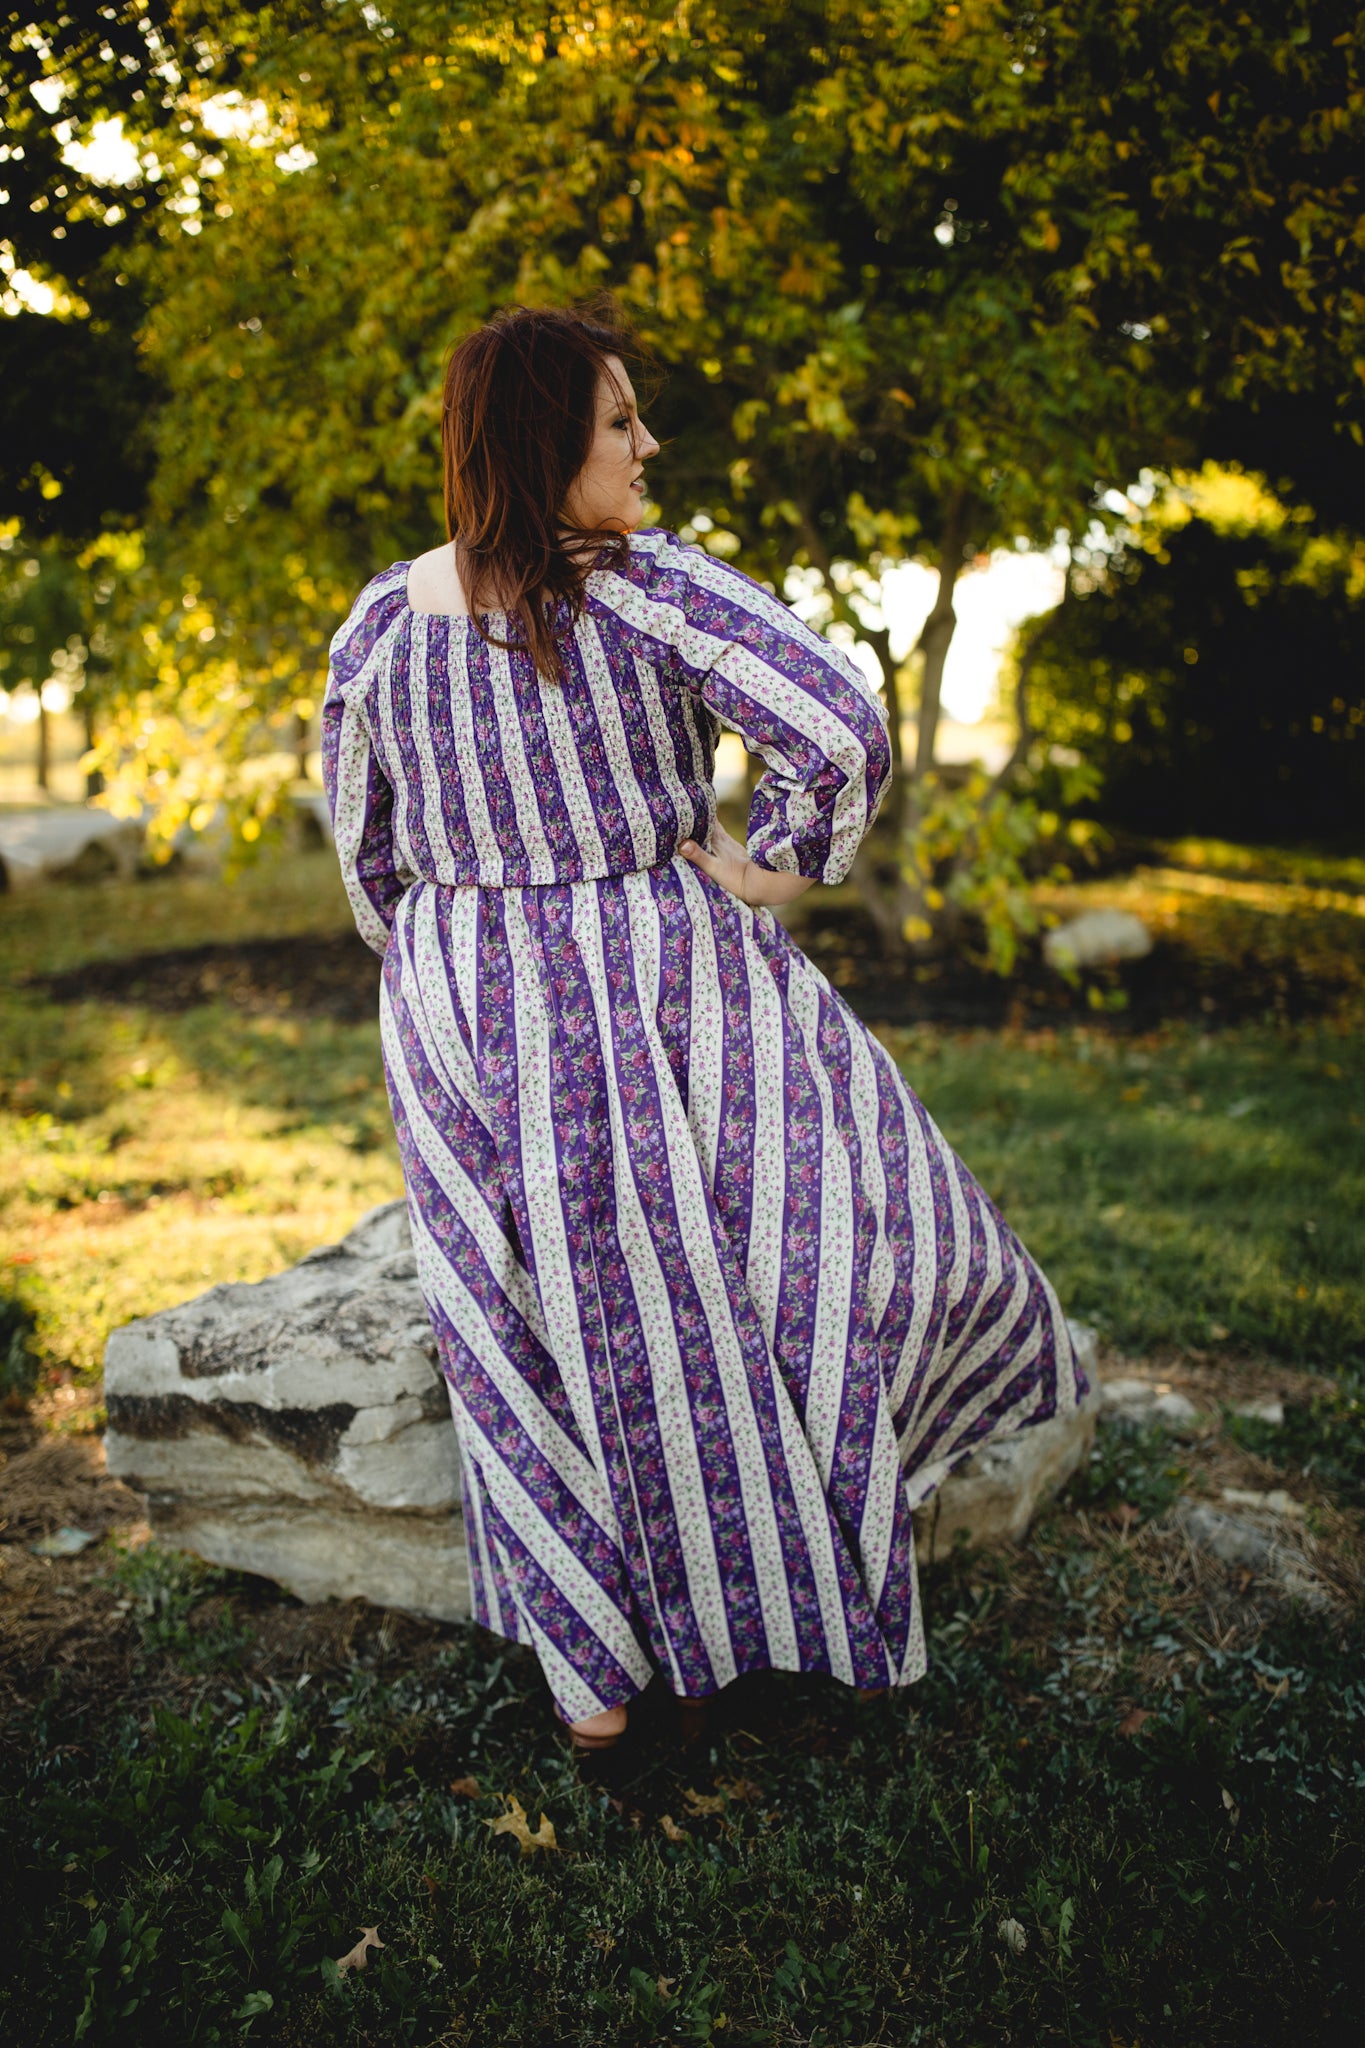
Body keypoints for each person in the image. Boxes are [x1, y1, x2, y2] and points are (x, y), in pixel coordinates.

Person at [322, 305, 1084, 1752]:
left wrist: (436, 944)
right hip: (657, 974)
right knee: (780, 1277)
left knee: (522, 1328)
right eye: (620, 421)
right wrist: (771, 867)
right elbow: (838, 722)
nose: (647, 445)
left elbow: (364, 846)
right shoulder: (639, 590)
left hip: (457, 1002)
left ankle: (597, 1692)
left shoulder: (377, 618)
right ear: (548, 437)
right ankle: (825, 1629)